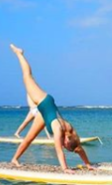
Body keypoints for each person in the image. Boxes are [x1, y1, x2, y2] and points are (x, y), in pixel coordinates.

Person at [10, 44, 93, 172]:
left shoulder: (72, 135)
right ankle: (19, 53)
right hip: (44, 101)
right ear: (66, 139)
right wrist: (65, 169)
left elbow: (79, 149)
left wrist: (88, 165)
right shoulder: (60, 130)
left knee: (29, 138)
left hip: (44, 115)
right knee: (27, 76)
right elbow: (59, 151)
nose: (64, 146)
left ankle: (14, 159)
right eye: (66, 145)